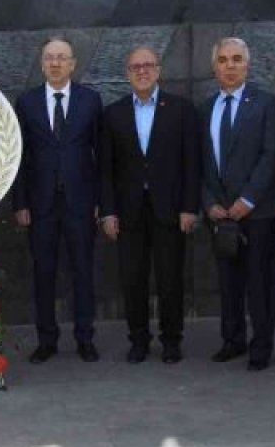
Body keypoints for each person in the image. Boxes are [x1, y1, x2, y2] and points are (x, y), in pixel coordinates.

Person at [99, 47, 200, 364]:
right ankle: (138, 340)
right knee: (133, 279)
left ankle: (172, 340)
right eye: (135, 67)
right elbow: (105, 169)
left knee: (170, 278)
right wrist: (108, 211)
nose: (142, 71)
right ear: (127, 73)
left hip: (169, 209)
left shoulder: (181, 110)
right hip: (128, 211)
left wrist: (189, 207)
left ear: (158, 70)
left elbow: (191, 163)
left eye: (147, 65)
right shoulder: (112, 114)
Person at [13, 36, 103, 363]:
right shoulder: (27, 102)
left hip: (81, 203)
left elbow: (101, 156)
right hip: (41, 206)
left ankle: (84, 338)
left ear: (73, 64)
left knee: (83, 271)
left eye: (61, 58)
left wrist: (101, 202)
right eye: (49, 57)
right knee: (43, 273)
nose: (55, 63)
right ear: (41, 63)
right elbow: (19, 157)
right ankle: (47, 339)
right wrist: (20, 203)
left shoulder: (91, 101)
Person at [200, 38, 275, 371]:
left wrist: (247, 199)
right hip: (220, 215)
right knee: (228, 282)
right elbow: (201, 162)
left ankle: (260, 346)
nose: (230, 65)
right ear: (215, 67)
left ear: (247, 65)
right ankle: (231, 340)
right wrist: (209, 203)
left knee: (260, 283)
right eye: (223, 60)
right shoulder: (205, 108)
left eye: (236, 59)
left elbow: (272, 154)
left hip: (258, 212)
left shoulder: (265, 103)